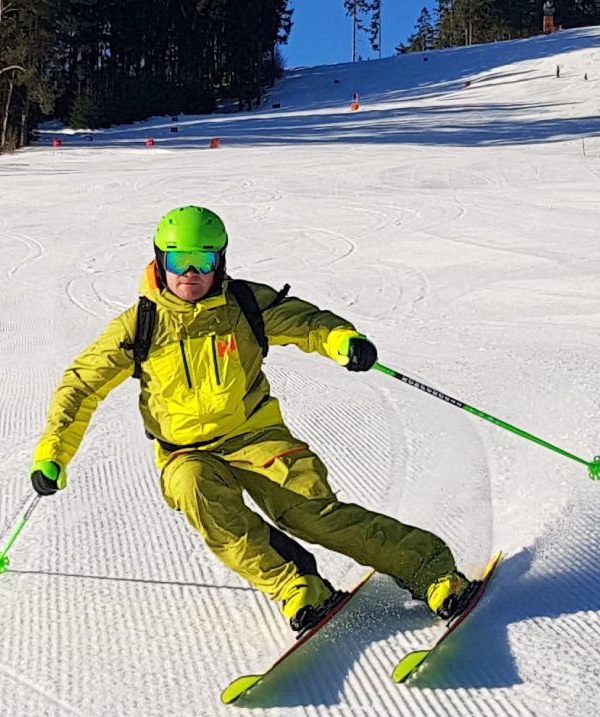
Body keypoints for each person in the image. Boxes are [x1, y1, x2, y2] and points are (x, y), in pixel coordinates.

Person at [28, 206, 470, 632]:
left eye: (203, 261)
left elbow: (309, 323)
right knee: (194, 490)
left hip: (256, 436)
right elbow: (81, 385)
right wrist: (53, 455)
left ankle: (432, 571)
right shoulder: (140, 325)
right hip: (186, 452)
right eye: (179, 261)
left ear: (219, 260)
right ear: (160, 261)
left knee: (312, 516)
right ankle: (297, 587)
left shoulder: (244, 305)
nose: (191, 274)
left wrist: (343, 341)